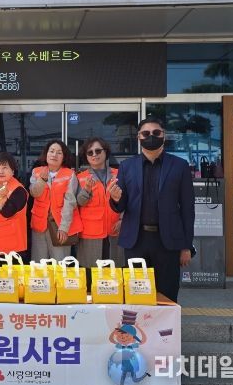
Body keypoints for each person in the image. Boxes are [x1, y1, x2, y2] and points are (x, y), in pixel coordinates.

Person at [109, 116, 195, 302]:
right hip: (136, 240)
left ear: (164, 135)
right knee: (136, 294)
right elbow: (122, 205)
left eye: (156, 132)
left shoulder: (179, 166)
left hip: (168, 241)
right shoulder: (126, 166)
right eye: (146, 133)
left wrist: (186, 245)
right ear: (139, 137)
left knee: (167, 294)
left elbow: (187, 209)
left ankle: (166, 322)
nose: (151, 136)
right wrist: (115, 199)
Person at [29, 139, 83, 262]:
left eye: (59, 152)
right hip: (39, 224)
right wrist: (42, 181)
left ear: (63, 157)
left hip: (59, 226)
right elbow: (34, 193)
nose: (54, 155)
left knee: (60, 263)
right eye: (52, 151)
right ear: (46, 154)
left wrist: (64, 228)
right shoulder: (36, 172)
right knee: (39, 264)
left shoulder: (70, 174)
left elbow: (70, 203)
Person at [76, 137, 123, 268]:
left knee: (113, 273)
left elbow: (129, 200)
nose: (94, 155)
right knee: (91, 273)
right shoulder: (80, 177)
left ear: (105, 152)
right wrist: (86, 190)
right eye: (90, 152)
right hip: (90, 234)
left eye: (98, 151)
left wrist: (123, 219)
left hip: (115, 230)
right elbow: (79, 203)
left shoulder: (119, 174)